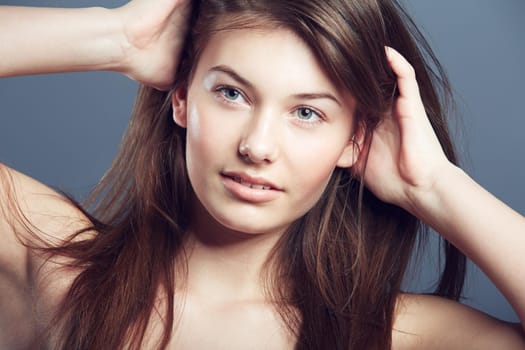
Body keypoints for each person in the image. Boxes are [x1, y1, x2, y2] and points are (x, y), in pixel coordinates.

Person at [0, 0, 524, 349]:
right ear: (181, 96)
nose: (257, 146)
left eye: (307, 113)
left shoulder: (396, 335)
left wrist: (433, 185)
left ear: (353, 140)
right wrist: (116, 40)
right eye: (232, 93)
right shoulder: (58, 270)